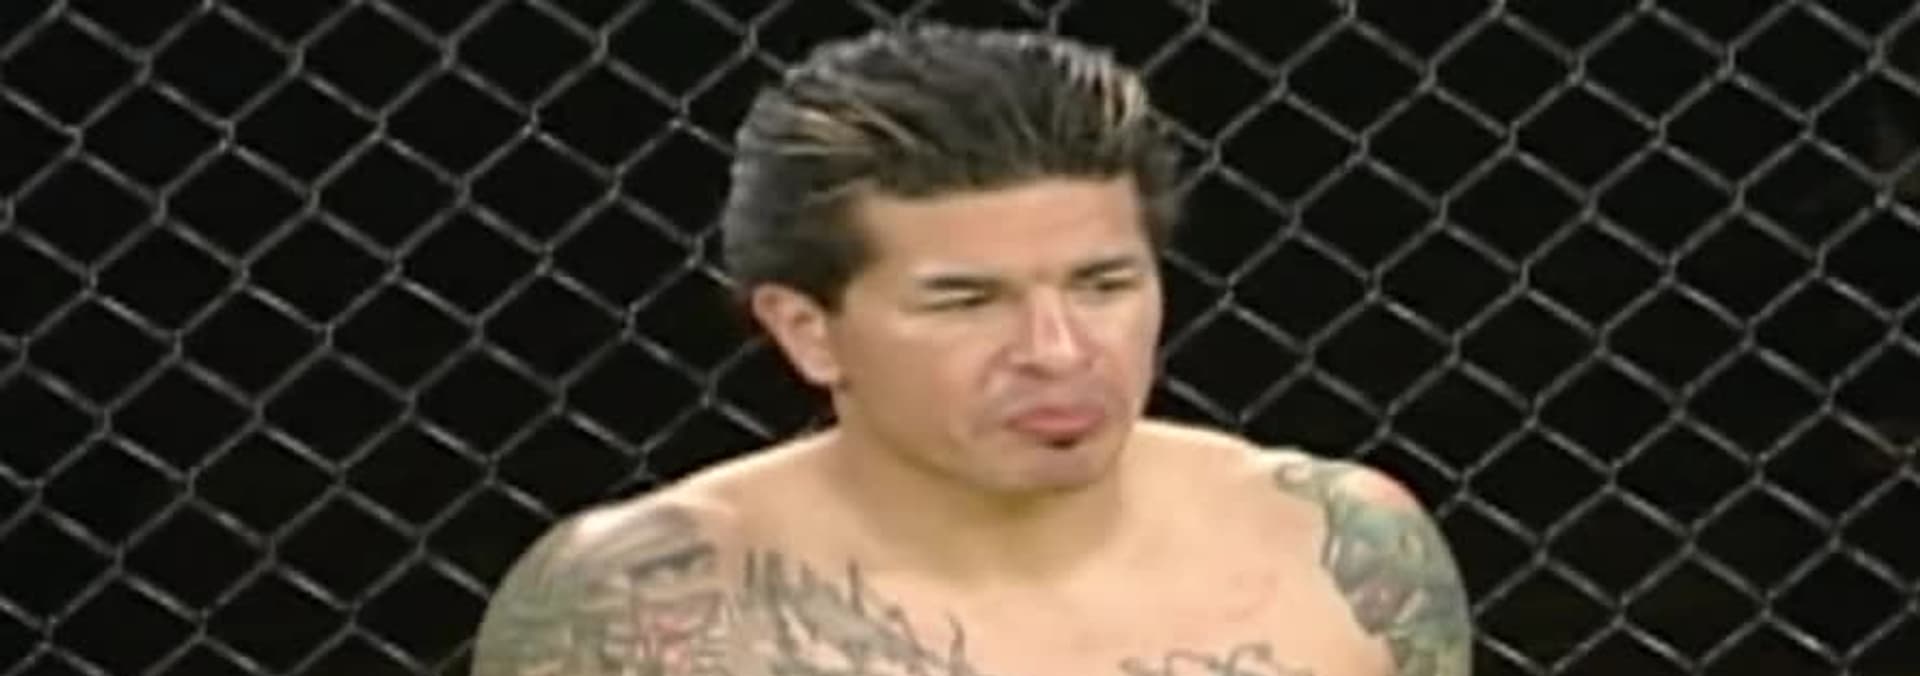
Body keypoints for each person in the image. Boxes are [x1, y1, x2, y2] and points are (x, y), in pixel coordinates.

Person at [469, 22, 1472, 676]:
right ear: (807, 330)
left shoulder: (1335, 547)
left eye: (1104, 284)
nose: (1057, 351)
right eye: (966, 301)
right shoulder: (637, 608)